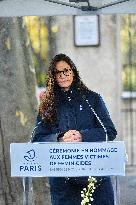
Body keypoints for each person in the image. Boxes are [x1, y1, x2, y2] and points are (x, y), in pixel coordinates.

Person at [32, 53, 117, 205]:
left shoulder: (93, 99)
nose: (63, 75)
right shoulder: (48, 105)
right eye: (58, 72)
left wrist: (83, 136)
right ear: (53, 77)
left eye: (66, 70)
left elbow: (109, 132)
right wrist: (60, 138)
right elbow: (37, 138)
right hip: (63, 182)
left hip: (96, 177)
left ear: (73, 71)